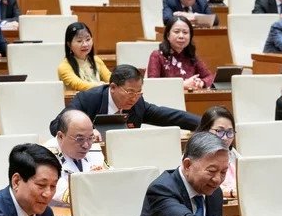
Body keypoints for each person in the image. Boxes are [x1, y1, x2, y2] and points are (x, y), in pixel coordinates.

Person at [132, 132, 276, 216]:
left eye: (223, 172)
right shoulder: (161, 189)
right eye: (211, 171)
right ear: (188, 165)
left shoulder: (214, 192)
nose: (218, 179)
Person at [49, 64, 201, 137]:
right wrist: (85, 132)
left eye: (138, 93)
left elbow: (170, 116)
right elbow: (55, 126)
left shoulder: (138, 104)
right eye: (130, 92)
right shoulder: (88, 99)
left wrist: (206, 124)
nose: (134, 97)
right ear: (113, 87)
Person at [44, 110, 106, 206]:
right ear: (61, 136)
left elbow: (113, 179)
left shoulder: (93, 148)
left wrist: (105, 176)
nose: (86, 145)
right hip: (61, 211)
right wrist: (94, 181)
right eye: (80, 139)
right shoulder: (46, 155)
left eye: (90, 138)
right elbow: (62, 192)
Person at [147, 16, 214, 91]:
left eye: (185, 32)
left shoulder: (191, 56)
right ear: (168, 35)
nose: (181, 36)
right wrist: (182, 85)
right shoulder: (157, 56)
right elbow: (152, 85)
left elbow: (210, 77)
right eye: (176, 32)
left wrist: (201, 82)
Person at [196, 105, 238, 198]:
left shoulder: (233, 154)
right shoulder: (195, 157)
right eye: (219, 131)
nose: (225, 137)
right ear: (205, 130)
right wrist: (231, 193)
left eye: (230, 132)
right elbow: (200, 188)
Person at [57, 22, 111, 92]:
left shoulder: (96, 60)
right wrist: (102, 85)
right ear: (69, 44)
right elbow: (79, 85)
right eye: (79, 41)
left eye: (88, 39)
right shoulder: (64, 66)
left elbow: (110, 79)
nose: (85, 44)